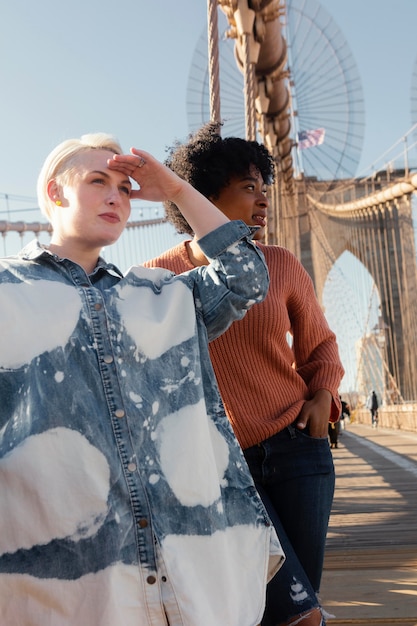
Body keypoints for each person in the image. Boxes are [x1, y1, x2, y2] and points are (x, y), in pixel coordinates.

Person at [0, 132, 284, 626]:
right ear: (54, 192)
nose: (116, 195)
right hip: (66, 587)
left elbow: (246, 276)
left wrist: (175, 189)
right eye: (97, 181)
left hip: (186, 574)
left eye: (126, 188)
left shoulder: (159, 295)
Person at [144, 122, 345, 626]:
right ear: (204, 195)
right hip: (222, 467)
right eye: (247, 187)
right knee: (292, 612)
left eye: (265, 189)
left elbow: (320, 343)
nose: (263, 201)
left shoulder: (280, 263)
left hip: (299, 450)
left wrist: (323, 395)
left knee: (298, 604)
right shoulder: (156, 279)